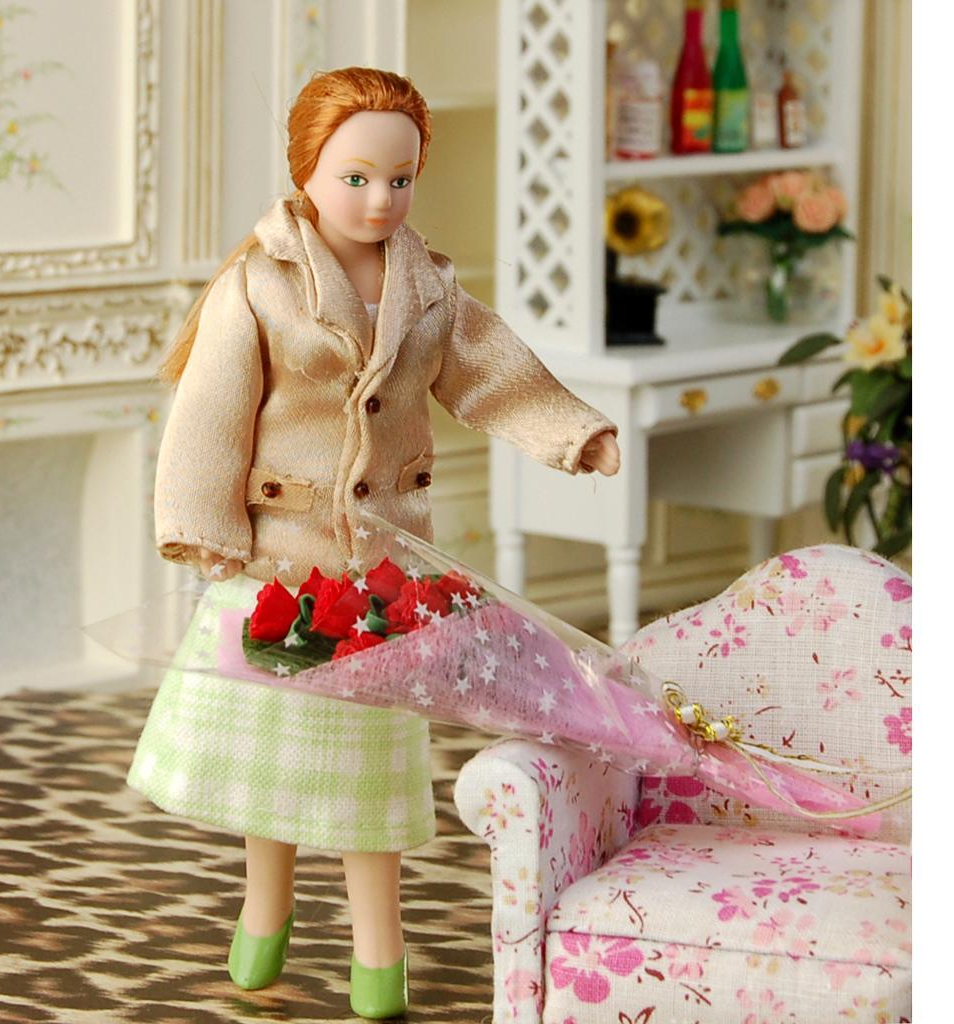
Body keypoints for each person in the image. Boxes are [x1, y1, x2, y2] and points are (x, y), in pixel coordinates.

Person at [127, 66, 620, 1019]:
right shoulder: (259, 284)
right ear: (307, 170)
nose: (380, 199)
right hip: (278, 566)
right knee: (269, 768)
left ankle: (378, 957)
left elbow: (492, 373)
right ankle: (263, 912)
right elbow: (212, 416)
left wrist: (572, 432)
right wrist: (203, 529)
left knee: (368, 780)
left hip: (384, 583)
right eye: (355, 178)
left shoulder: (428, 286)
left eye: (400, 179)